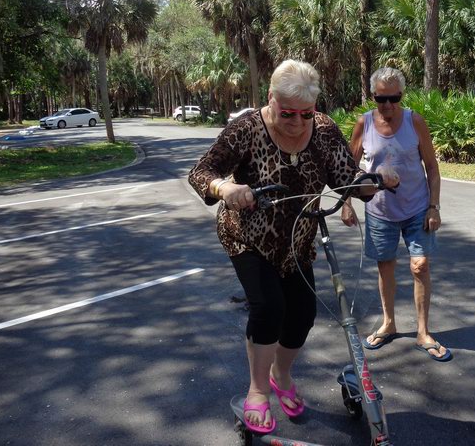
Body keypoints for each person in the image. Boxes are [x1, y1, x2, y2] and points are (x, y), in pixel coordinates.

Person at [188, 60, 399, 435]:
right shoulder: (247, 129)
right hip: (247, 238)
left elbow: (345, 179)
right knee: (269, 308)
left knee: (301, 315)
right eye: (288, 112)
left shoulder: (322, 130)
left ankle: (280, 377)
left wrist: (375, 182)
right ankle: (257, 390)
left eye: (307, 113)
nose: (298, 122)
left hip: (298, 242)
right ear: (270, 98)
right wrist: (226, 188)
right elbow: (201, 172)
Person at [341, 67, 452, 362]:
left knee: (420, 266)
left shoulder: (415, 121)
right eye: (381, 98)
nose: (388, 105)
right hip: (379, 211)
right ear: (373, 96)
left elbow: (432, 167)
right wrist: (346, 203)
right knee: (385, 267)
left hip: (417, 207)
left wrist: (434, 206)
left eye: (394, 98)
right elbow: (348, 170)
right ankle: (389, 323)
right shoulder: (363, 124)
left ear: (402, 95)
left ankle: (423, 331)